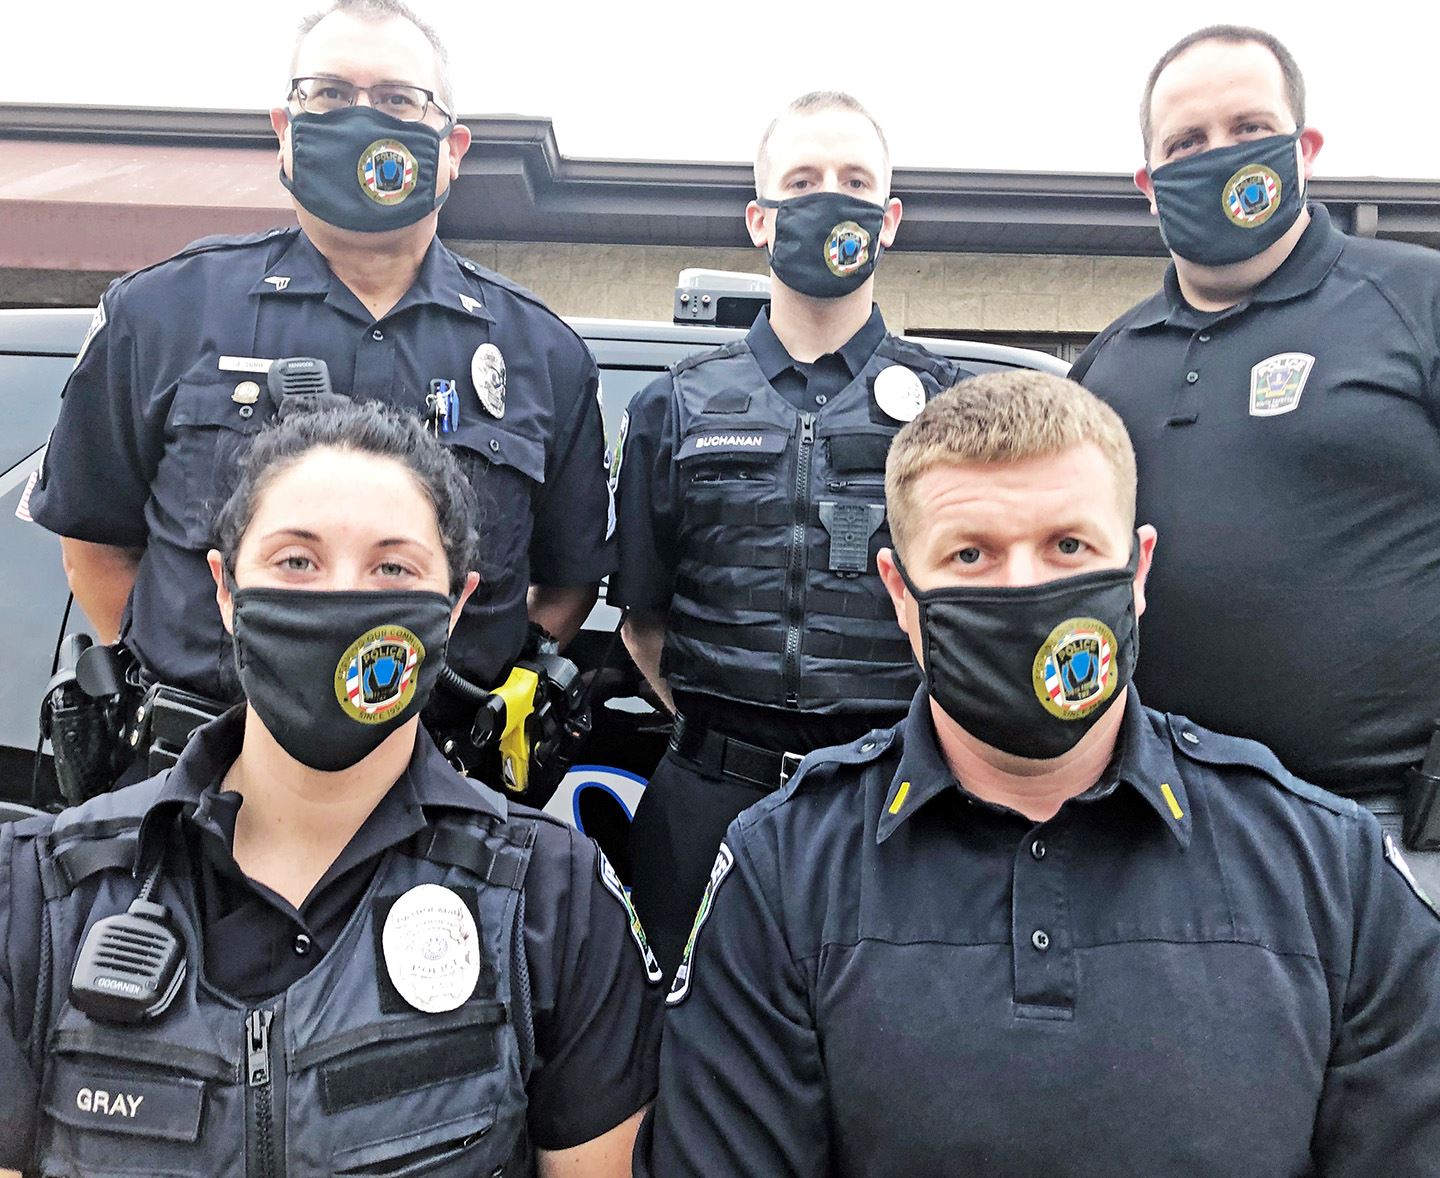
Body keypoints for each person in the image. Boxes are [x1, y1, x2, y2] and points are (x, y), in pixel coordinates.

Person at [637, 371, 1440, 1178]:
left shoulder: (1329, 872)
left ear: (1137, 569)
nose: (1026, 590)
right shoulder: (784, 872)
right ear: (900, 594)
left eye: (1068, 546)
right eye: (971, 554)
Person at [0, 401, 662, 1177]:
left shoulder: (555, 901)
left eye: (392, 568)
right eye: (296, 561)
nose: (343, 600)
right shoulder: (39, 895)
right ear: (225, 588)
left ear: (453, 605)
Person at [26, 0, 611, 775]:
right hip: (199, 782)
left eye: (399, 100)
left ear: (452, 148)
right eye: (331, 95)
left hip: (438, 797)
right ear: (285, 128)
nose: (363, 119)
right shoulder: (161, 313)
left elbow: (564, 586)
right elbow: (95, 546)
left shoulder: (544, 355)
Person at [1070, 24, 1440, 889]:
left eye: (1247, 128)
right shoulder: (1107, 364)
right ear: (1150, 184)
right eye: (1186, 142)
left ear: (1303, 148)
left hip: (1389, 832)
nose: (1220, 155)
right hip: (1164, 827)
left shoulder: (1415, 302)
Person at [612, 91, 971, 973]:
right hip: (705, 800)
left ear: (888, 221)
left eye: (854, 180)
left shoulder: (953, 408)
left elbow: (970, 606)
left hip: (892, 798)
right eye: (803, 179)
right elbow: (642, 618)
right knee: (677, 1063)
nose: (829, 196)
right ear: (759, 218)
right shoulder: (676, 404)